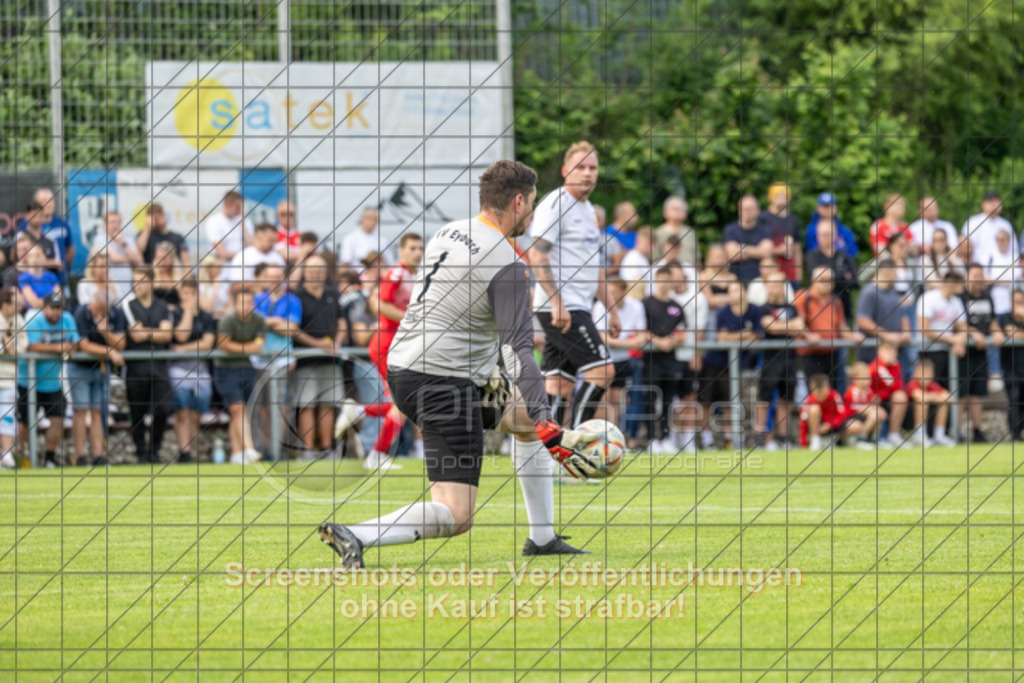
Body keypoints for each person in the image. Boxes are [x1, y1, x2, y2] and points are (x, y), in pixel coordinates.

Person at [318, 159, 597, 568]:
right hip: (442, 381)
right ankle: (356, 534)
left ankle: (543, 538)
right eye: (533, 204)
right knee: (456, 514)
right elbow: (520, 349)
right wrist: (550, 423)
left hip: (411, 365)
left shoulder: (449, 231)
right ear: (518, 202)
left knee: (520, 419)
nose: (534, 214)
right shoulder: (508, 264)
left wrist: (534, 416)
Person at [526, 141, 619, 429]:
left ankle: (548, 455)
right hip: (563, 307)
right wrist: (557, 302)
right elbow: (536, 254)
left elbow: (595, 266)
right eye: (581, 167)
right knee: (603, 372)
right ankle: (577, 447)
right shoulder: (554, 204)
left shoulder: (590, 210)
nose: (588, 173)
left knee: (559, 386)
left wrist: (611, 308)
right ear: (566, 171)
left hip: (579, 306)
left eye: (592, 168)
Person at [335, 232, 424, 470]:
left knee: (404, 402)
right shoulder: (397, 273)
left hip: (398, 346)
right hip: (387, 345)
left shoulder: (413, 275)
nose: (417, 252)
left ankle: (360, 413)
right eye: (412, 248)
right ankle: (376, 453)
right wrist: (411, 319)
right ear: (401, 251)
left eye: (420, 248)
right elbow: (380, 305)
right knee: (403, 402)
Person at [293, 255, 347, 457]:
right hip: (306, 359)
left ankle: (326, 448)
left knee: (328, 404)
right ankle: (307, 450)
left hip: (331, 359)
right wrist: (317, 344)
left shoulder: (333, 294)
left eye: (319, 269)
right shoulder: (296, 297)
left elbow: (342, 322)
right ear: (305, 272)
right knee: (306, 404)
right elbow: (293, 329)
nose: (315, 273)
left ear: (325, 273)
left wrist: (337, 342)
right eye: (311, 269)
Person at [18, 293, 80, 468]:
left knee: (58, 419)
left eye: (58, 308)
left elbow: (75, 343)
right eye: (52, 308)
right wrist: (59, 348)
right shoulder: (35, 320)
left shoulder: (67, 319)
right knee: (24, 422)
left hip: (52, 382)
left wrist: (68, 348)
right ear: (44, 308)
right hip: (28, 381)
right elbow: (31, 345)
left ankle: (50, 457)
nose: (56, 312)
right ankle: (21, 459)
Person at [699, 279, 762, 449]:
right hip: (714, 362)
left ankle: (730, 439)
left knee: (729, 402)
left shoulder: (754, 311)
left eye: (737, 290)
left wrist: (734, 336)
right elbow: (721, 338)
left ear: (745, 293)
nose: (734, 294)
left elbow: (756, 337)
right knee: (706, 401)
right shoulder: (723, 312)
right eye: (731, 291)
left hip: (736, 365)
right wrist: (743, 335)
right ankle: (707, 440)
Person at [121, 267, 174, 464]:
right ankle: (141, 452)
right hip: (136, 368)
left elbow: (167, 334)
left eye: (141, 281)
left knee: (162, 409)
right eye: (134, 281)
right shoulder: (127, 306)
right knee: (137, 413)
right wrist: (154, 333)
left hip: (158, 367)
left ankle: (154, 450)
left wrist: (145, 334)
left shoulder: (161, 306)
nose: (137, 286)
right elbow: (132, 336)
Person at [756, 271, 814, 450]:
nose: (775, 287)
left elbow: (800, 326)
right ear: (766, 286)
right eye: (772, 283)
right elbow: (770, 327)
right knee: (764, 399)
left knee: (786, 399)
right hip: (769, 359)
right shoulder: (763, 308)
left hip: (789, 359)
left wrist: (791, 328)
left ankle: (784, 437)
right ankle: (761, 438)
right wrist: (792, 327)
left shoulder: (791, 308)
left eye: (779, 283)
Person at [70, 287, 126, 466]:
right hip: (79, 368)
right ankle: (80, 455)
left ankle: (98, 455)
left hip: (101, 369)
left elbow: (122, 344)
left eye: (100, 310)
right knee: (80, 411)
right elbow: (84, 345)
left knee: (97, 411)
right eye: (95, 308)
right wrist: (109, 351)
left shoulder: (115, 314)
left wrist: (105, 333)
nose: (95, 312)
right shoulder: (81, 312)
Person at [215, 287, 267, 464]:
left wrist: (237, 348)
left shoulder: (259, 320)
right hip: (226, 370)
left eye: (249, 303)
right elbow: (223, 344)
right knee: (238, 409)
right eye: (242, 303)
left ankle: (236, 453)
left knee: (240, 411)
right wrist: (247, 348)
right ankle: (249, 449)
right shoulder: (228, 320)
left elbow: (259, 346)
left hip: (246, 368)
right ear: (235, 304)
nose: (245, 306)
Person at [641, 266, 688, 452]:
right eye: (660, 280)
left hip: (671, 360)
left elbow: (683, 330)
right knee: (651, 399)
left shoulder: (676, 307)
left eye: (667, 280)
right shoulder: (645, 304)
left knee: (669, 400)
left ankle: (667, 437)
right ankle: (653, 439)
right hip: (652, 360)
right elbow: (640, 330)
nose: (663, 284)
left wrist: (675, 339)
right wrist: (658, 341)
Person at [169, 279, 216, 464]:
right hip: (178, 369)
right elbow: (180, 335)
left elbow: (207, 343)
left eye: (190, 293)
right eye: (183, 293)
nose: (186, 296)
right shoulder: (175, 314)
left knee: (196, 413)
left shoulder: (206, 316)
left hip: (201, 371)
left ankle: (189, 447)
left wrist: (183, 348)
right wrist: (188, 312)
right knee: (182, 411)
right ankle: (185, 451)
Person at [591, 277, 647, 430]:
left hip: (623, 360)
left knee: (616, 400)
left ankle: (612, 435)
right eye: (608, 292)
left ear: (624, 291)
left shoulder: (636, 306)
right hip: (602, 359)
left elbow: (642, 333)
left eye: (614, 292)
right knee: (603, 399)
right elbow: (602, 338)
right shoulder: (599, 307)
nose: (610, 295)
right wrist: (629, 344)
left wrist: (637, 340)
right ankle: (598, 435)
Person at [794, 266, 863, 383]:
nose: (826, 284)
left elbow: (842, 327)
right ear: (813, 280)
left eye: (829, 280)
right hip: (810, 353)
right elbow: (797, 323)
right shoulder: (803, 297)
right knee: (816, 392)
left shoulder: (836, 301)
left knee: (831, 392)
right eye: (822, 280)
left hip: (831, 353)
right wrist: (808, 336)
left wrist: (854, 337)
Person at [959, 263, 1003, 443]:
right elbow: (956, 321)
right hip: (962, 353)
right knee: (961, 393)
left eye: (980, 276)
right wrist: (972, 332)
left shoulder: (987, 296)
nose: (978, 280)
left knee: (977, 393)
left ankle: (977, 431)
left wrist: (997, 331)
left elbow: (991, 320)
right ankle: (954, 432)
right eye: (975, 275)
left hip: (981, 351)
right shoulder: (960, 297)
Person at [916, 271, 968, 392]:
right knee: (929, 391)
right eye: (960, 284)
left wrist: (960, 340)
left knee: (947, 391)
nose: (963, 287)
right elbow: (924, 329)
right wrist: (952, 339)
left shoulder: (956, 301)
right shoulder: (928, 298)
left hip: (947, 351)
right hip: (929, 352)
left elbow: (963, 326)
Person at [856, 257, 912, 364]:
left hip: (894, 353)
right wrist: (887, 336)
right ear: (888, 272)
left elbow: (903, 315)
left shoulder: (893, 292)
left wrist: (906, 332)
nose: (897, 277)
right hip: (872, 354)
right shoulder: (869, 292)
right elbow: (863, 320)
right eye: (896, 273)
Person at [802, 373, 876, 451]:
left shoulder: (834, 396)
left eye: (822, 392)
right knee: (814, 409)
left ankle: (832, 441)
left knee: (856, 426)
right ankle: (815, 440)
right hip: (819, 429)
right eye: (817, 392)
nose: (820, 396)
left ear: (827, 387)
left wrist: (829, 424)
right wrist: (804, 444)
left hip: (834, 426)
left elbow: (843, 414)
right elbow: (803, 422)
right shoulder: (809, 400)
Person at [806, 218, 859, 320]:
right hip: (820, 311)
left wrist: (828, 278)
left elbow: (855, 281)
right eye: (822, 235)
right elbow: (814, 279)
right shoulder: (812, 256)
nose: (824, 238)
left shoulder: (845, 257)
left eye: (828, 234)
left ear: (835, 236)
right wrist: (842, 276)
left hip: (843, 310)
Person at [23, 188, 73, 286]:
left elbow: (70, 249)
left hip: (59, 280)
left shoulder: (62, 223)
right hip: (35, 282)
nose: (49, 204)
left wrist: (60, 264)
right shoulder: (26, 226)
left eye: (51, 200)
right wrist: (51, 264)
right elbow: (22, 257)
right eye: (44, 201)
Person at [0, 289, 26, 469]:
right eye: (16, 304)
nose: (20, 308)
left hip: (9, 377)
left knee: (8, 416)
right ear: (6, 304)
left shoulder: (18, 320)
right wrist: (5, 346)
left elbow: (24, 345)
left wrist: (12, 349)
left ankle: (6, 455)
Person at [869, 341, 911, 448]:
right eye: (888, 352)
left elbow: (898, 386)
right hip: (873, 401)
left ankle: (894, 435)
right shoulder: (877, 366)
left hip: (886, 398)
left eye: (893, 352)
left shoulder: (895, 366)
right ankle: (877, 438)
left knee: (900, 396)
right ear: (879, 353)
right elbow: (892, 384)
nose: (891, 355)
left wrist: (895, 366)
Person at [723, 194, 771, 284]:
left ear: (758, 211)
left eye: (750, 209)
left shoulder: (764, 230)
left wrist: (742, 248)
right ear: (739, 211)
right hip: (736, 282)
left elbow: (766, 253)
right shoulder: (730, 230)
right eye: (744, 209)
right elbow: (732, 255)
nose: (747, 212)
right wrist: (757, 251)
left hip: (760, 281)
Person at [760, 183, 802, 286]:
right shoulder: (763, 218)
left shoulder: (793, 219)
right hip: (770, 272)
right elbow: (758, 247)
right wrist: (778, 250)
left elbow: (797, 248)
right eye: (778, 195)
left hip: (790, 272)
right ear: (771, 197)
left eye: (785, 196)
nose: (781, 199)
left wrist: (799, 273)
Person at [906, 359, 955, 447]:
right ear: (915, 374)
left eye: (928, 374)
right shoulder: (912, 384)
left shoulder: (932, 385)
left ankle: (939, 435)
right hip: (907, 418)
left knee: (943, 403)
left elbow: (949, 397)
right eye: (922, 374)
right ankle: (919, 435)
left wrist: (932, 397)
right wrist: (934, 396)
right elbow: (920, 397)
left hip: (928, 416)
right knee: (922, 402)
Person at [93, 211, 141, 297]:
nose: (116, 225)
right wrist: (130, 259)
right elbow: (113, 258)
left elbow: (138, 260)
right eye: (112, 222)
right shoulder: (100, 240)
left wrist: (123, 244)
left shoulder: (127, 241)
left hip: (128, 289)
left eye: (118, 222)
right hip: (110, 289)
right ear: (104, 224)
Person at [962, 191, 1017, 264]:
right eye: (990, 201)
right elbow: (963, 249)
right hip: (977, 268)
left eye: (996, 201)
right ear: (983, 204)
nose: (994, 205)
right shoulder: (972, 223)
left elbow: (1014, 249)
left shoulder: (1006, 225)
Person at [999, 289, 1024, 441]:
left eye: (1021, 302)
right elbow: (1012, 334)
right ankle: (1015, 434)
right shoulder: (1004, 317)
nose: (1019, 305)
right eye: (1016, 302)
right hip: (1011, 368)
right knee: (1014, 400)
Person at [205, 190, 253, 262]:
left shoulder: (244, 220)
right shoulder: (213, 221)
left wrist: (243, 225)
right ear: (227, 204)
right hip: (222, 266)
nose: (240, 210)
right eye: (237, 207)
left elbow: (251, 245)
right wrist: (245, 254)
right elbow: (222, 253)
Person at [845, 362, 887, 443]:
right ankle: (861, 437)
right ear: (855, 378)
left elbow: (871, 403)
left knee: (880, 413)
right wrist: (871, 409)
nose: (868, 380)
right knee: (874, 414)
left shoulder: (868, 390)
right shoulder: (853, 390)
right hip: (852, 416)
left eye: (869, 377)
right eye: (865, 377)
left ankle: (875, 438)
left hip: (864, 415)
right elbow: (856, 408)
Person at [805, 192, 858, 257]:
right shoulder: (812, 230)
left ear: (835, 208)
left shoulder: (844, 231)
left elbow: (853, 250)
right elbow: (812, 251)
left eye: (830, 206)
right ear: (818, 208)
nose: (828, 209)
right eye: (825, 206)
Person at [656, 195, 699, 267]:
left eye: (681, 209)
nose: (678, 212)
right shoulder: (658, 233)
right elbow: (654, 258)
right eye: (674, 209)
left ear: (685, 213)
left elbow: (697, 259)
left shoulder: (690, 233)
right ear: (665, 212)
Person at [18, 242, 60, 310]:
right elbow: (34, 303)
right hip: (36, 313)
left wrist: (45, 302)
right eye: (31, 256)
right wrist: (53, 302)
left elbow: (61, 299)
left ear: (44, 257)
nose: (34, 259)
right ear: (27, 259)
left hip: (55, 311)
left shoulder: (51, 276)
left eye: (37, 255)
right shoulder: (24, 278)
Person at [619, 225, 657, 298]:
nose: (652, 247)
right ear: (638, 240)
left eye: (653, 244)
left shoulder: (642, 258)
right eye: (649, 243)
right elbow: (634, 289)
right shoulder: (632, 259)